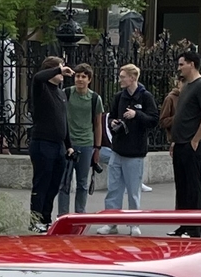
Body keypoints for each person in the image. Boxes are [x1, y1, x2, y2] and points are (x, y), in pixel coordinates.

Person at [165, 51, 201, 227]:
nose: (179, 68)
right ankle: (182, 224)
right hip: (180, 142)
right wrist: (175, 140)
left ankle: (194, 227)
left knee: (193, 186)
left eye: (181, 64)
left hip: (191, 144)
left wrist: (196, 139)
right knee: (182, 186)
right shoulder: (186, 85)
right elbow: (182, 115)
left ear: (191, 64)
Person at [105, 62, 154, 216]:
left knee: (133, 191)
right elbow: (111, 115)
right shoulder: (119, 97)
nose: (120, 80)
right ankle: (111, 221)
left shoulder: (145, 96)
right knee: (113, 189)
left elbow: (154, 120)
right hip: (117, 150)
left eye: (122, 77)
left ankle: (134, 222)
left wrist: (137, 114)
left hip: (135, 152)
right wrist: (111, 122)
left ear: (132, 78)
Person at [27, 54, 69, 230]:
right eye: (59, 68)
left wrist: (70, 145)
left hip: (59, 145)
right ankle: (35, 220)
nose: (63, 73)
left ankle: (46, 218)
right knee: (42, 183)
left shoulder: (60, 92)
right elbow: (38, 76)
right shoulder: (41, 87)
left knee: (53, 185)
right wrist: (59, 68)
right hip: (42, 143)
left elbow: (63, 121)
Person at [63, 65, 106, 217]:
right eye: (77, 76)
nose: (80, 79)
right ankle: (62, 215)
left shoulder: (95, 98)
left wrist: (97, 147)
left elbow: (98, 124)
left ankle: (80, 214)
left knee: (82, 182)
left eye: (83, 77)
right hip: (68, 143)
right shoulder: (66, 93)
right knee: (65, 182)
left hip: (86, 143)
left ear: (89, 79)